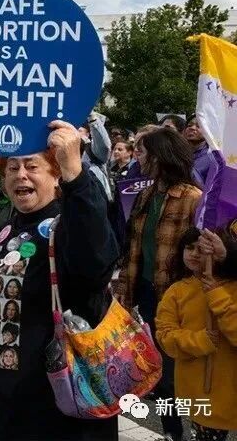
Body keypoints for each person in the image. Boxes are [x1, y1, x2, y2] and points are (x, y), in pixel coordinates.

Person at [0, 120, 120, 441]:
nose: (20, 174)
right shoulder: (6, 229)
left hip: (43, 409)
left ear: (56, 176)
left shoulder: (67, 226)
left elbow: (95, 262)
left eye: (32, 166)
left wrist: (76, 174)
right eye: (12, 168)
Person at [114, 127, 202, 441]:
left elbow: (202, 254)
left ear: (160, 156)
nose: (138, 157)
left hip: (179, 299)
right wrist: (124, 292)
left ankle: (196, 429)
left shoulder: (193, 198)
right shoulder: (145, 195)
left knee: (178, 374)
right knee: (159, 372)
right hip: (147, 294)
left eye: (143, 152)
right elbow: (133, 249)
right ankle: (172, 431)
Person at [156, 227, 237, 441]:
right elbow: (165, 336)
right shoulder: (176, 292)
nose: (194, 254)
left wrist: (217, 295)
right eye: (189, 247)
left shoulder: (231, 288)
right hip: (201, 391)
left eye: (201, 249)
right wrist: (201, 340)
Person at [183, 115, 215, 189]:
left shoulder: (213, 157)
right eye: (189, 125)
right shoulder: (176, 151)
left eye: (199, 126)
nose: (192, 128)